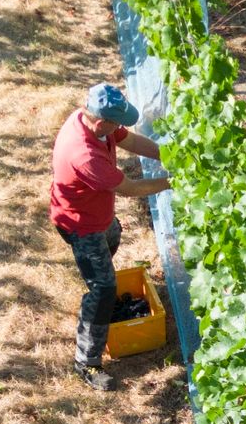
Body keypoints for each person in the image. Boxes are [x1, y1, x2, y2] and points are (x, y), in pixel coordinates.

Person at [50, 83, 171, 391]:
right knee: (104, 288)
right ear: (101, 120)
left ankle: (96, 286)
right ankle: (86, 362)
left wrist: (168, 155)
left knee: (113, 234)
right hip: (80, 225)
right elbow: (129, 188)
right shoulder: (84, 154)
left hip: (100, 218)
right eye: (117, 121)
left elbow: (128, 139)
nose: (120, 127)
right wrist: (171, 182)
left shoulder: (96, 124)